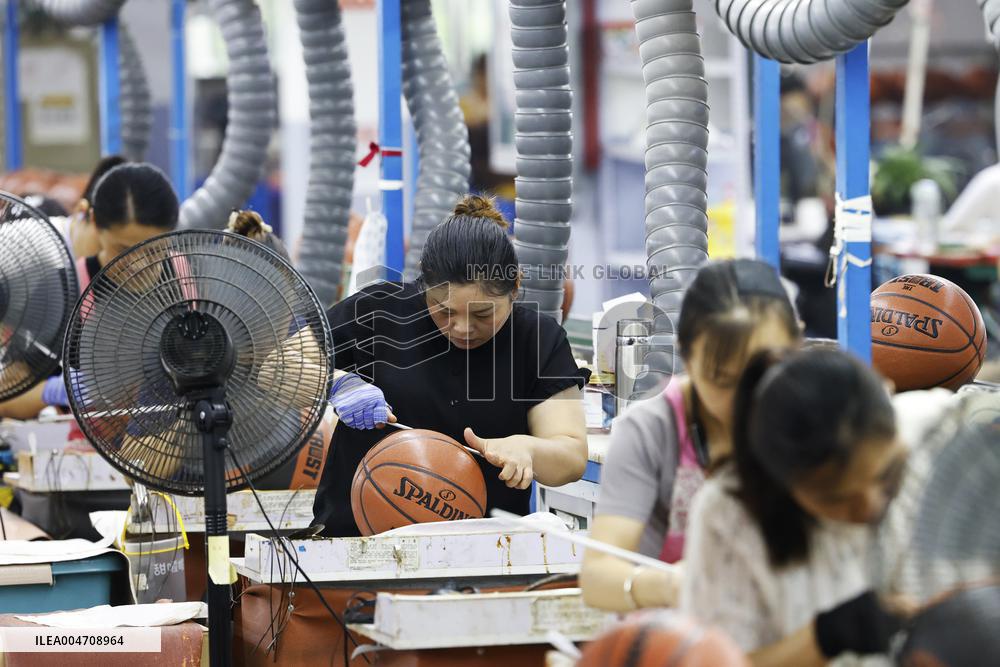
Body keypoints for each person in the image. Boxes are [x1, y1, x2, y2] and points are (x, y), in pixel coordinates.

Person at [312, 194, 589, 536]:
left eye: (483, 314)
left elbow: (572, 455)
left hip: (482, 554)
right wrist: (335, 382)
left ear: (514, 289)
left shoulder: (538, 340)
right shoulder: (380, 311)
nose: (461, 327)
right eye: (443, 311)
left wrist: (529, 448)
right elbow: (280, 362)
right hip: (353, 546)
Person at [580, 259, 802, 612]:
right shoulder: (650, 432)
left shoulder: (807, 421)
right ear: (685, 352)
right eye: (722, 380)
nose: (743, 401)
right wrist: (669, 585)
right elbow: (598, 579)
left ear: (796, 344)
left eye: (760, 377)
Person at [680, 348, 908, 666]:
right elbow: (713, 662)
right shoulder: (729, 515)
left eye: (886, 477)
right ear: (781, 482)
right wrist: (824, 637)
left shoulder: (931, 444)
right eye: (836, 500)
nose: (870, 507)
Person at [0, 163, 178, 421]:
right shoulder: (60, 294)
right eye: (123, 251)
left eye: (152, 250)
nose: (139, 266)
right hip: (85, 456)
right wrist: (55, 391)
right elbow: (7, 396)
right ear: (94, 222)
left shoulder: (192, 280)